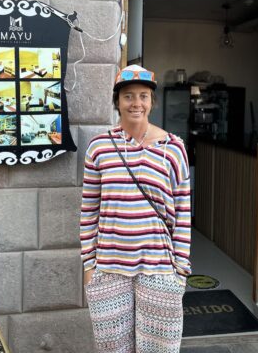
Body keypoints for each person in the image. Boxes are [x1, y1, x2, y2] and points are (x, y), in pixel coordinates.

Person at [80, 65, 192, 353]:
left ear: (152, 101)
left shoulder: (173, 148)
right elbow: (89, 210)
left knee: (158, 349)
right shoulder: (99, 148)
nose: (136, 103)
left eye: (143, 96)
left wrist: (179, 269)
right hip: (109, 268)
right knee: (112, 349)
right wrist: (90, 265)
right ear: (117, 101)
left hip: (160, 270)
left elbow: (182, 212)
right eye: (128, 96)